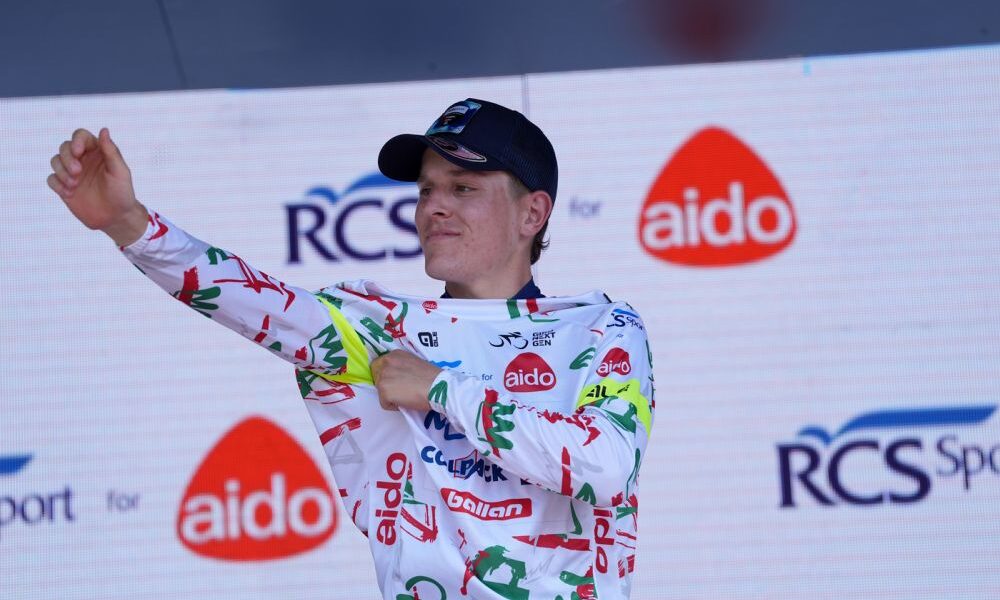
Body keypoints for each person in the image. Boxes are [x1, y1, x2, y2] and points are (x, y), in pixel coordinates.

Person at [47, 99, 655, 599]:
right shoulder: (380, 335)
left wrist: (439, 388)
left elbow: (605, 467)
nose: (433, 207)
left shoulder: (600, 329)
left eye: (463, 187)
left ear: (532, 214)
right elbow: (253, 301)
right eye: (425, 190)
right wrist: (129, 223)